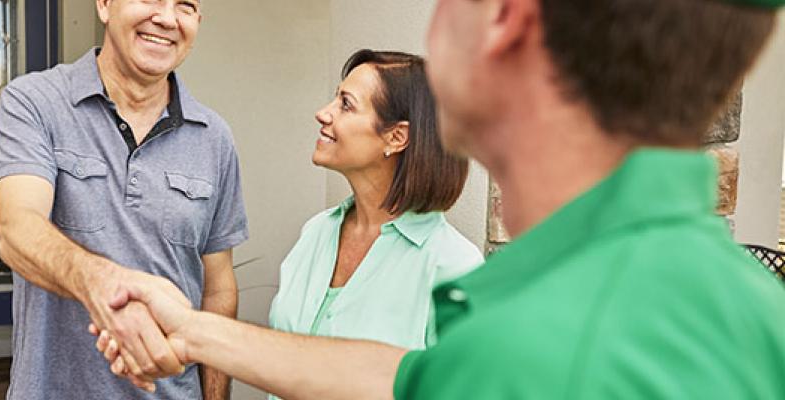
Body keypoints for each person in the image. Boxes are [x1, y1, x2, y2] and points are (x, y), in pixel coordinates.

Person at [92, 0, 785, 398]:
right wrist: (191, 328)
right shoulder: (753, 308)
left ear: (505, 24)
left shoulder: (533, 347)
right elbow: (404, 378)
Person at [0, 0, 246, 398]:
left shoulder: (215, 138)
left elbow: (218, 288)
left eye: (185, 6)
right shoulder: (35, 102)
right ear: (105, 5)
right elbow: (16, 228)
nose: (166, 18)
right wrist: (108, 286)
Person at [268, 49, 482, 361]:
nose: (323, 113)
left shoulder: (453, 267)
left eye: (345, 104)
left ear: (396, 137)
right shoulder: (316, 232)